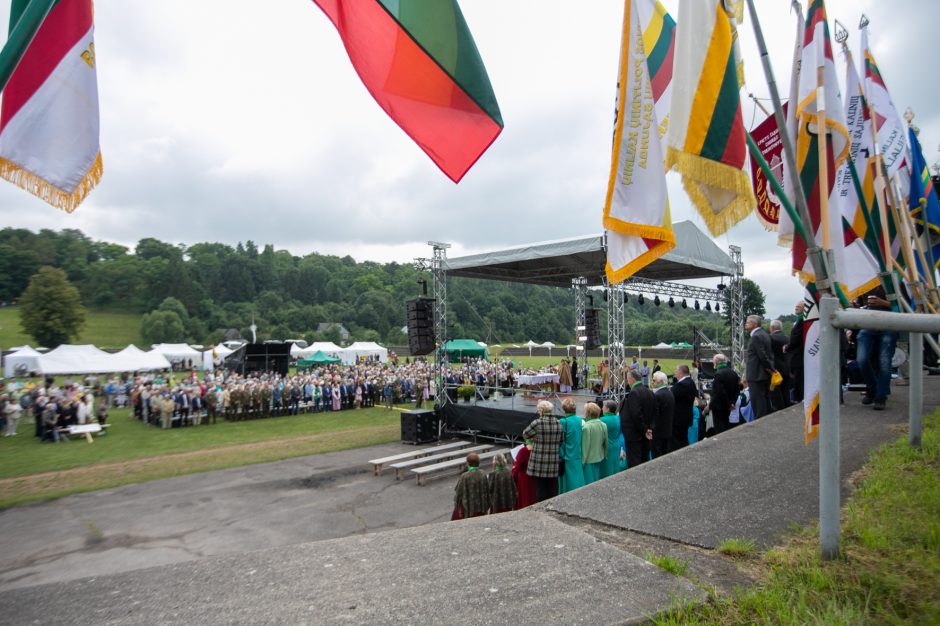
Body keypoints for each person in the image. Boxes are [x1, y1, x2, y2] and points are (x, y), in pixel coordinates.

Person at [853, 285, 897, 411]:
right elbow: (861, 306)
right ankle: (873, 388)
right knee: (862, 359)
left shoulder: (892, 281)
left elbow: (901, 307)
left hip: (889, 324)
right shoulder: (863, 282)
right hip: (868, 323)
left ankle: (880, 396)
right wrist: (856, 306)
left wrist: (882, 302)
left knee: (884, 362)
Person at [522, 400, 563, 502]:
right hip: (553, 461)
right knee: (551, 488)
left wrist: (535, 438)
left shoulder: (537, 423)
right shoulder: (559, 423)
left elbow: (525, 434)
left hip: (539, 462)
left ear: (541, 411)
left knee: (540, 488)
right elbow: (561, 440)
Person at [619, 369, 656, 468]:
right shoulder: (649, 392)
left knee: (634, 462)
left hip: (635, 435)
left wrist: (644, 429)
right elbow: (654, 412)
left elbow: (636, 414)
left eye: (627, 379)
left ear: (631, 379)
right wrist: (649, 428)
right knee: (644, 459)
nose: (627, 382)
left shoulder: (634, 393)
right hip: (645, 433)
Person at [745, 314, 775, 418]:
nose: (745, 324)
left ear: (754, 324)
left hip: (756, 375)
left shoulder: (756, 336)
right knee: (765, 401)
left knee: (758, 404)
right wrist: (770, 369)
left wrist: (770, 368)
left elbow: (762, 356)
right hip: (763, 374)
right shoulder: (765, 334)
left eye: (747, 322)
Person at [557, 397, 585, 494]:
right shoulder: (579, 420)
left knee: (567, 483)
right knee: (577, 478)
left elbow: (560, 440)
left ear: (564, 409)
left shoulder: (563, 422)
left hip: (567, 455)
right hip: (577, 453)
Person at [451, 453, 490, 520]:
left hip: (469, 508)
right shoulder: (483, 473)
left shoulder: (464, 476)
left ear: (468, 463)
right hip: (481, 507)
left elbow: (458, 492)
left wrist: (457, 504)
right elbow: (487, 490)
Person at [708, 353, 741, 434]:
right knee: (725, 425)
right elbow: (737, 390)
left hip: (720, 406)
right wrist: (732, 403)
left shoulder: (718, 374)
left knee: (719, 428)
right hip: (728, 406)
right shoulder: (733, 372)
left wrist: (729, 404)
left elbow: (720, 392)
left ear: (717, 362)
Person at [670, 365, 697, 451]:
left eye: (676, 371)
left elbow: (671, 395)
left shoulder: (682, 385)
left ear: (681, 373)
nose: (675, 373)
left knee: (677, 441)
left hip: (678, 419)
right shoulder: (691, 382)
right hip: (686, 416)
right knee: (683, 438)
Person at [580, 402, 607, 484]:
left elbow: (585, 447)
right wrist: (605, 454)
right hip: (599, 457)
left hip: (589, 460)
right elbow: (605, 443)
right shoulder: (603, 424)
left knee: (589, 483)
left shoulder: (586, 427)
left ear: (588, 413)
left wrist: (582, 463)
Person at [785, 300, 806, 403]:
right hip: (797, 357)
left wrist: (787, 347)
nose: (796, 307)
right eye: (796, 306)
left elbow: (796, 338)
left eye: (799, 306)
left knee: (799, 381)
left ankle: (800, 399)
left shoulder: (802, 321)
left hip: (799, 356)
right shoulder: (799, 320)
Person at [649, 372, 674, 458]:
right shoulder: (669, 393)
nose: (652, 382)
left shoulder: (657, 395)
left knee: (657, 455)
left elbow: (654, 415)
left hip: (658, 432)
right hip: (667, 430)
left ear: (660, 382)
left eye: (654, 380)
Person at [769, 319, 791, 410]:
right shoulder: (788, 338)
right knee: (786, 391)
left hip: (775, 370)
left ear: (772, 327)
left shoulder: (770, 338)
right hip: (787, 369)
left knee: (776, 393)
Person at [598, 400, 622, 479]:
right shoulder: (619, 418)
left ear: (608, 409)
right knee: (615, 468)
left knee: (606, 470)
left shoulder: (602, 420)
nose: (601, 408)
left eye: (603, 406)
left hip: (607, 448)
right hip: (617, 446)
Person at [511, 441, 538, 509]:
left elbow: (517, 468)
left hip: (524, 479)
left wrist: (512, 474)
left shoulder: (523, 451)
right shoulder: (538, 448)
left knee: (525, 499)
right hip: (535, 477)